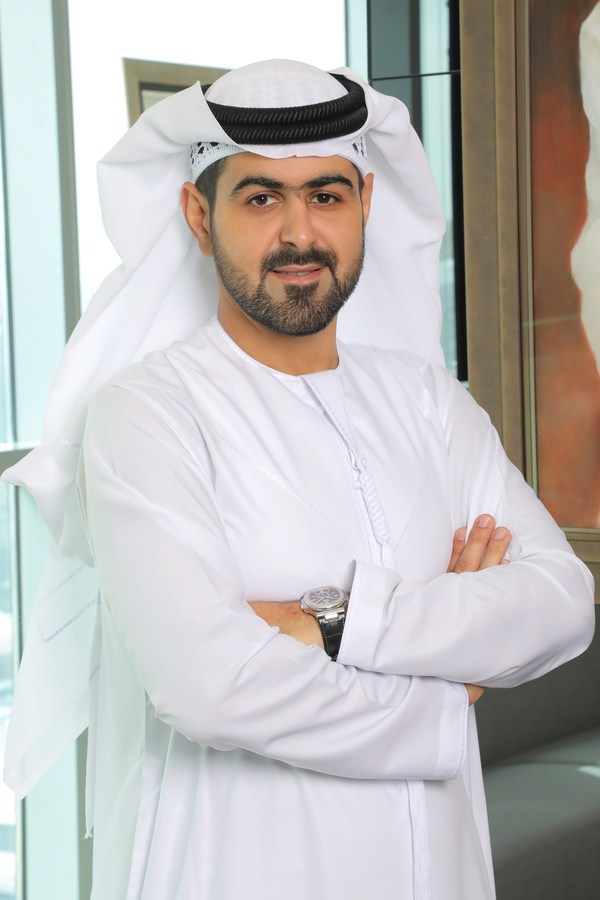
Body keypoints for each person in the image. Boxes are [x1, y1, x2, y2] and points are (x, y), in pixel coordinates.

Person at [2, 59, 594, 900]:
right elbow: (209, 684)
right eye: (260, 198)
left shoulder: (426, 398)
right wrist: (445, 687)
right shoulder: (146, 413)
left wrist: (332, 621)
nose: (299, 234)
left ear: (366, 204)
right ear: (198, 216)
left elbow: (563, 603)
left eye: (325, 195)